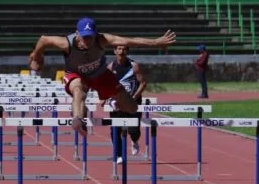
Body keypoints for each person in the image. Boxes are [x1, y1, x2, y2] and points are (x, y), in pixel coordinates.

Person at [28, 17, 175, 134]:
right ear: (77, 34)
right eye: (85, 37)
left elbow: (130, 41)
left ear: (96, 34)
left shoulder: (102, 39)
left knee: (131, 108)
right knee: (78, 90)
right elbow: (43, 39)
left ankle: (110, 105)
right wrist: (36, 56)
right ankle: (78, 119)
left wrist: (156, 42)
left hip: (100, 74)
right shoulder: (66, 43)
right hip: (76, 74)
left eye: (90, 37)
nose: (88, 41)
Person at [107, 45, 147, 163]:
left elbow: (143, 83)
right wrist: (106, 98)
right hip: (118, 103)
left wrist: (134, 97)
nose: (121, 51)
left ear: (127, 51)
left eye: (124, 49)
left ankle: (134, 141)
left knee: (134, 131)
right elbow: (107, 85)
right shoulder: (110, 67)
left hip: (133, 102)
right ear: (115, 51)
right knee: (115, 130)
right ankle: (119, 155)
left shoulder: (134, 66)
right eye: (119, 49)